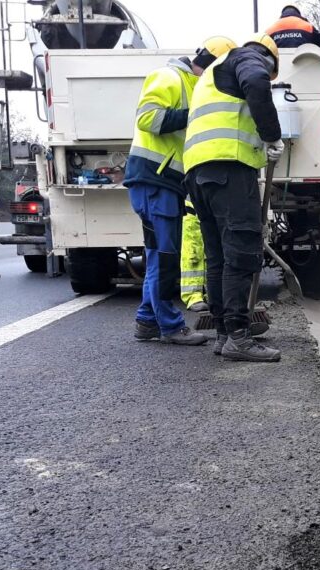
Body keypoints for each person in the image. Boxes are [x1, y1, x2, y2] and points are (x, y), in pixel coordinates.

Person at [124, 36, 236, 345]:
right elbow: (148, 118)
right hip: (154, 179)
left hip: (162, 182)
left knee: (157, 256)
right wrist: (195, 115)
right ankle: (170, 327)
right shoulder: (169, 76)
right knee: (165, 258)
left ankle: (147, 320)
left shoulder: (193, 86)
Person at [184, 33, 285, 362]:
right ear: (269, 59)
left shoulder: (212, 74)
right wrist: (272, 136)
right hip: (229, 168)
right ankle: (239, 337)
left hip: (199, 172)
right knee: (241, 252)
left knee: (218, 257)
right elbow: (256, 82)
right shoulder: (248, 57)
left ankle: (224, 333)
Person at [180, 200, 209, 311]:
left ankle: (211, 294)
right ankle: (193, 296)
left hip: (206, 201)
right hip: (191, 205)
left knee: (211, 252)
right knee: (193, 253)